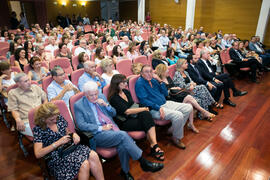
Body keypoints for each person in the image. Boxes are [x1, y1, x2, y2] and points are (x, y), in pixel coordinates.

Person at [74, 81, 164, 180]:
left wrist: (106, 106)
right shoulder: (79, 105)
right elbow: (81, 125)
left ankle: (125, 172)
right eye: (91, 95)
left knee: (123, 144)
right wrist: (100, 128)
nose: (95, 97)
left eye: (96, 93)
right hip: (97, 134)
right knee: (123, 135)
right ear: (85, 94)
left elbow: (113, 113)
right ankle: (143, 162)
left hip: (112, 128)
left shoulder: (101, 97)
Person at [33, 102, 104, 180]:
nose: (55, 120)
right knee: (84, 164)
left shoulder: (59, 118)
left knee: (94, 155)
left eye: (56, 117)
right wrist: (58, 143)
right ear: (43, 118)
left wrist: (73, 134)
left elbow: (67, 131)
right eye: (51, 119)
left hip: (70, 147)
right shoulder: (38, 129)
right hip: (57, 156)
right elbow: (38, 154)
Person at [108, 74, 165, 160]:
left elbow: (133, 105)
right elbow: (127, 111)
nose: (126, 84)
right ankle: (154, 147)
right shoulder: (113, 98)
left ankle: (154, 145)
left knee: (146, 115)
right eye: (123, 82)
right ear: (117, 84)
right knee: (147, 119)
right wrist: (143, 109)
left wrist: (143, 109)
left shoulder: (126, 92)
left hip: (133, 116)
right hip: (125, 121)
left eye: (125, 82)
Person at [135, 65, 193, 149]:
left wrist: (160, 81)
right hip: (153, 109)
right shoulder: (140, 83)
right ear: (141, 73)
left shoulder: (154, 80)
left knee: (188, 107)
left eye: (151, 71)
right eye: (146, 72)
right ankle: (176, 138)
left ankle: (172, 129)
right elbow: (144, 101)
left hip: (164, 103)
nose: (149, 74)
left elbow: (165, 93)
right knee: (178, 115)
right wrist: (158, 108)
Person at [155, 64, 216, 133]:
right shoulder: (158, 81)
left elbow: (174, 86)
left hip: (176, 95)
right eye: (166, 70)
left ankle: (191, 124)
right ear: (162, 71)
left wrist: (175, 88)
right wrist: (171, 89)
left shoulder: (168, 77)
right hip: (169, 99)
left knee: (189, 104)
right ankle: (203, 112)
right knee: (189, 97)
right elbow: (162, 93)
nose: (168, 71)